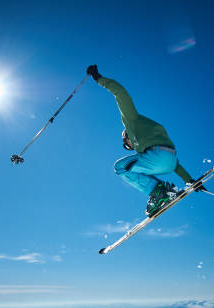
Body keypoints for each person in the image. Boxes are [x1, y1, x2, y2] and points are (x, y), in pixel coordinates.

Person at [86, 65, 202, 216]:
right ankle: (162, 191)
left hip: (157, 156)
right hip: (170, 160)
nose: (130, 147)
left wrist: (98, 78)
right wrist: (191, 181)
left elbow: (120, 93)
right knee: (136, 168)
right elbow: (176, 166)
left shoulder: (131, 122)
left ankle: (159, 192)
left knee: (120, 167)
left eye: (127, 145)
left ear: (126, 136)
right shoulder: (148, 131)